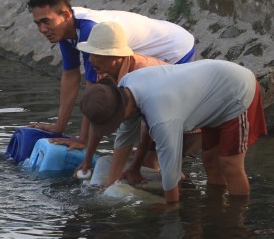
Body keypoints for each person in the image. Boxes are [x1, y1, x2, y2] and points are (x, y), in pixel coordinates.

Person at [78, 59, 268, 203]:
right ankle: (216, 208)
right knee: (210, 161)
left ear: (121, 110)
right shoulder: (125, 88)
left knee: (230, 165)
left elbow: (171, 171)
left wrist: (170, 208)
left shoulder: (162, 116)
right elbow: (123, 140)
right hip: (211, 92)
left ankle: (236, 219)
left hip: (235, 91)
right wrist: (110, 183)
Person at [27, 0, 195, 148]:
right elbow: (71, 76)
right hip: (150, 48)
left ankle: (163, 164)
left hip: (173, 50)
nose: (42, 29)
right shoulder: (64, 27)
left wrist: (82, 140)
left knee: (152, 116)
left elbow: (94, 88)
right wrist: (58, 128)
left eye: (46, 21)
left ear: (65, 15)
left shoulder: (90, 29)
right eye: (37, 23)